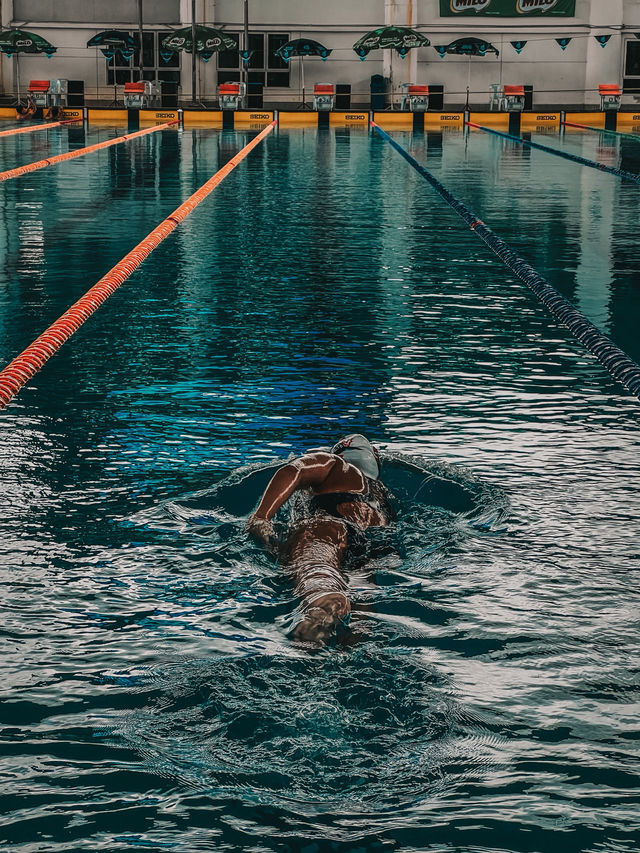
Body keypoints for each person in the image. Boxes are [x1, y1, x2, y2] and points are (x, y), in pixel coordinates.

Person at [247, 434, 393, 644]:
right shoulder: (382, 499)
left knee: (317, 574)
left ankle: (324, 603)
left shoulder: (339, 467)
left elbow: (294, 470)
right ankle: (346, 646)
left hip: (328, 530)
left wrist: (261, 517)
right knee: (358, 627)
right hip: (366, 555)